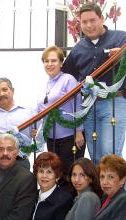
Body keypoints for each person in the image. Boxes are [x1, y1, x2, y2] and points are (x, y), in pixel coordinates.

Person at [62, 2, 126, 164]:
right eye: (84, 22)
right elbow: (67, 79)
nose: (88, 25)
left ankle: (121, 191)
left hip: (115, 102)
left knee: (110, 154)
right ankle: (102, 190)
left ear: (102, 18)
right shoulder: (78, 49)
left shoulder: (122, 38)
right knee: (96, 158)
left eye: (93, 20)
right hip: (88, 107)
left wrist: (125, 54)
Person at [37, 46, 85, 184]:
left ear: (61, 63)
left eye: (53, 60)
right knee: (56, 175)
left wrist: (79, 130)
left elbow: (78, 104)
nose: (49, 64)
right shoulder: (46, 85)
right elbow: (40, 111)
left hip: (69, 136)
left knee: (68, 175)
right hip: (51, 137)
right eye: (46, 61)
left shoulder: (68, 79)